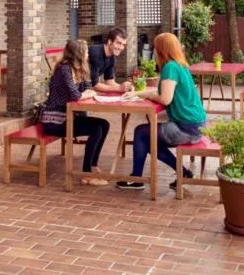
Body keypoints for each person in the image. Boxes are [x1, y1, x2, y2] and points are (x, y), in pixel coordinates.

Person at [117, 32, 206, 190]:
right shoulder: (180, 65)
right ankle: (183, 172)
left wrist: (149, 95)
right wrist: (137, 94)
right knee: (148, 138)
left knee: (141, 133)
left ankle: (136, 178)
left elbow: (165, 99)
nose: (154, 52)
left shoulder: (170, 67)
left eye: (156, 48)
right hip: (195, 125)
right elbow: (160, 94)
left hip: (186, 128)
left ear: (162, 50)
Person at [41, 39, 110, 186]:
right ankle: (86, 175)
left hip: (70, 116)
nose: (88, 55)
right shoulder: (64, 70)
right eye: (85, 52)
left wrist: (87, 89)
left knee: (104, 124)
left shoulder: (77, 69)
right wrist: (87, 93)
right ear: (78, 54)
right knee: (96, 129)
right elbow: (76, 95)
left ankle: (92, 166)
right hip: (55, 121)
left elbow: (88, 88)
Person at [89, 27, 133, 93]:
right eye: (118, 43)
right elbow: (94, 85)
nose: (121, 47)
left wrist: (126, 89)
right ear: (109, 42)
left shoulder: (112, 57)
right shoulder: (95, 53)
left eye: (123, 45)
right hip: (72, 88)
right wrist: (119, 88)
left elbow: (110, 81)